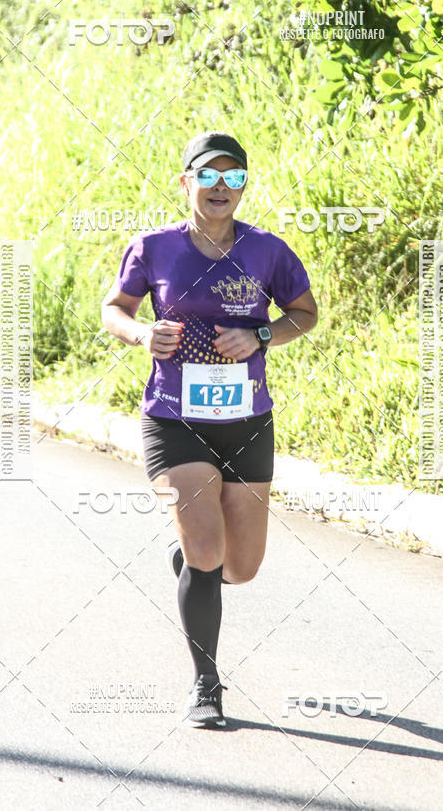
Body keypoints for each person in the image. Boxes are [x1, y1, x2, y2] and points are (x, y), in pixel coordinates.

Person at [101, 131, 318, 727]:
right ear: (186, 181)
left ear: (244, 185)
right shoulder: (154, 247)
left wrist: (263, 334)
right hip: (174, 420)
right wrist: (143, 334)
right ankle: (206, 685)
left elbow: (305, 312)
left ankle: (193, 563)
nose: (221, 186)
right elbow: (114, 308)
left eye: (234, 176)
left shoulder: (268, 250)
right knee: (205, 547)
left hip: (246, 421)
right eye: (209, 175)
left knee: (239, 567)